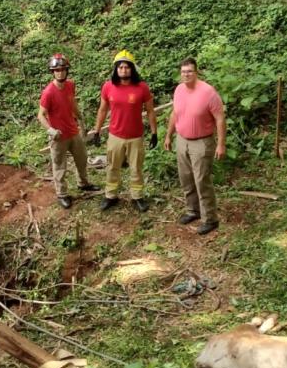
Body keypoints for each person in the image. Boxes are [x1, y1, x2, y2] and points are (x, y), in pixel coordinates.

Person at [164, 58, 226, 235]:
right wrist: (169, 135)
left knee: (201, 180)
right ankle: (193, 210)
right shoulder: (179, 90)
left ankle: (210, 219)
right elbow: (175, 114)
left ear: (196, 72)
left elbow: (220, 119)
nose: (186, 74)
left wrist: (221, 144)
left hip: (202, 142)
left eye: (189, 71)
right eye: (183, 71)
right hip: (182, 140)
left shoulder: (208, 92)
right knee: (186, 178)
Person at [92, 50, 157, 212]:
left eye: (127, 67)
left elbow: (150, 111)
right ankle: (110, 196)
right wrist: (97, 131)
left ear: (132, 69)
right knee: (113, 167)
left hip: (136, 137)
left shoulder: (142, 88)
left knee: (136, 168)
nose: (123, 70)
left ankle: (137, 197)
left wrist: (154, 133)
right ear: (116, 69)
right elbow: (102, 110)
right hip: (115, 136)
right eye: (120, 67)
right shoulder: (108, 87)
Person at [37, 53, 99, 208]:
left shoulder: (71, 85)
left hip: (73, 131)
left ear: (67, 71)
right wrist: (51, 130)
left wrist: (81, 118)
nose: (60, 72)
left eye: (63, 69)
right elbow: (41, 115)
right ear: (52, 72)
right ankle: (62, 194)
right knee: (59, 166)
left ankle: (83, 183)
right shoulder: (48, 92)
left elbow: (72, 103)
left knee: (82, 158)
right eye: (57, 70)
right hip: (58, 136)